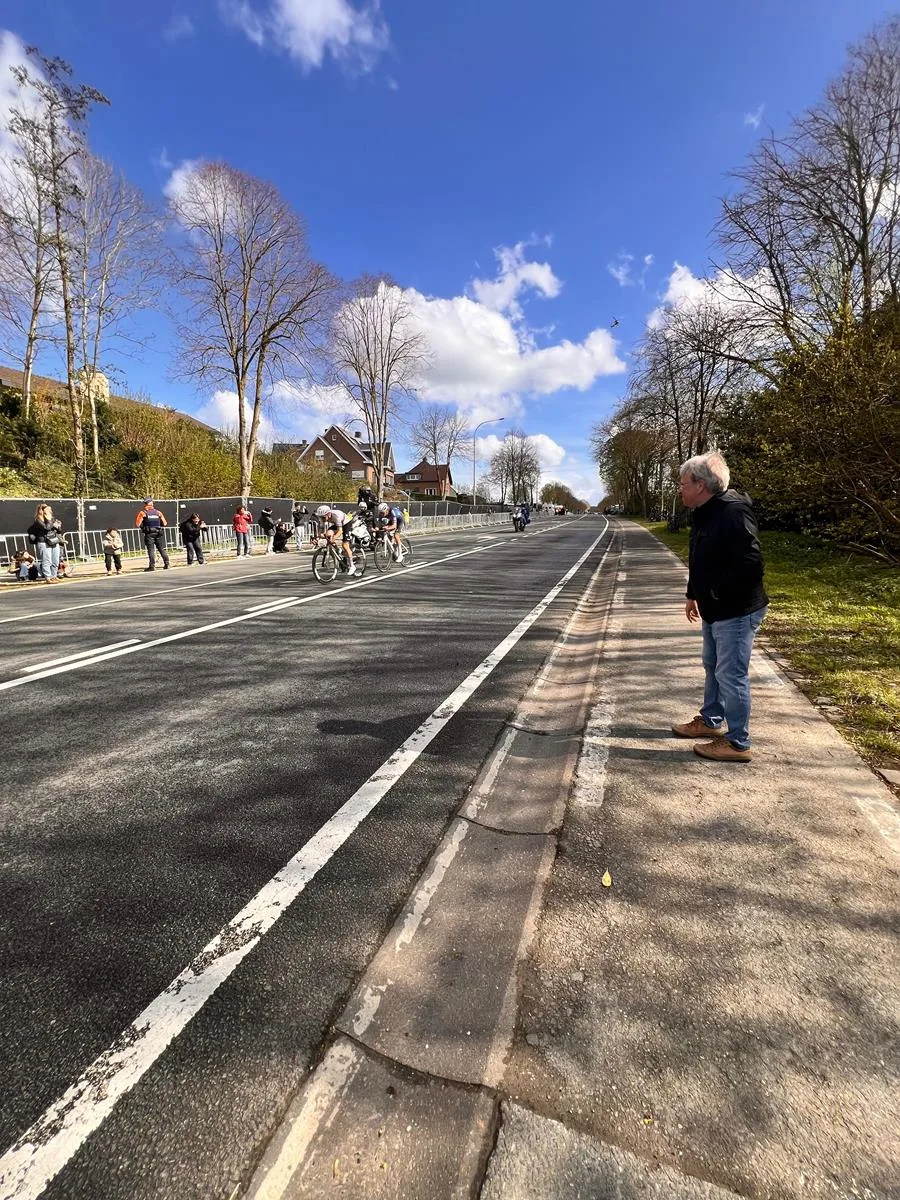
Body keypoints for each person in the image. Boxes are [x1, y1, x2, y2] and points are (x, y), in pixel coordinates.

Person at [671, 451, 769, 764]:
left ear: (701, 485)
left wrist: (714, 591)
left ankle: (738, 743)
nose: (680, 488)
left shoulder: (732, 512)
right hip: (715, 607)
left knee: (731, 674)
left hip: (736, 610)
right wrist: (693, 592)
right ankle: (711, 721)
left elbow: (752, 564)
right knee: (712, 665)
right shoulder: (704, 510)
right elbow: (699, 555)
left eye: (683, 483)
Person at [315, 504, 358, 576]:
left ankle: (352, 566)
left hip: (346, 524)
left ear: (328, 514)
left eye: (323, 517)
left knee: (345, 545)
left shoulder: (335, 516)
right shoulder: (323, 518)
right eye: (320, 517)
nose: (322, 519)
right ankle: (338, 550)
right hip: (338, 524)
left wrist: (334, 538)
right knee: (328, 534)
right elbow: (320, 531)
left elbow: (340, 531)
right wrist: (318, 537)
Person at [27, 503, 64, 582]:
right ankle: (48, 577)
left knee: (55, 560)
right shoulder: (38, 520)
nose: (50, 510)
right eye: (48, 509)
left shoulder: (52, 518)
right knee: (47, 560)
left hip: (54, 540)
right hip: (43, 541)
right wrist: (51, 522)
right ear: (42, 511)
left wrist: (57, 526)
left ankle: (54, 576)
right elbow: (46, 528)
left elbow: (59, 530)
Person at [135, 499, 170, 571]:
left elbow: (137, 524)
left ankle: (152, 566)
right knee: (161, 549)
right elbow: (165, 523)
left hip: (149, 533)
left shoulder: (143, 513)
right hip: (158, 532)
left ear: (145, 504)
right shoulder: (158, 512)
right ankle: (167, 564)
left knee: (151, 550)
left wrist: (143, 526)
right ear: (152, 504)